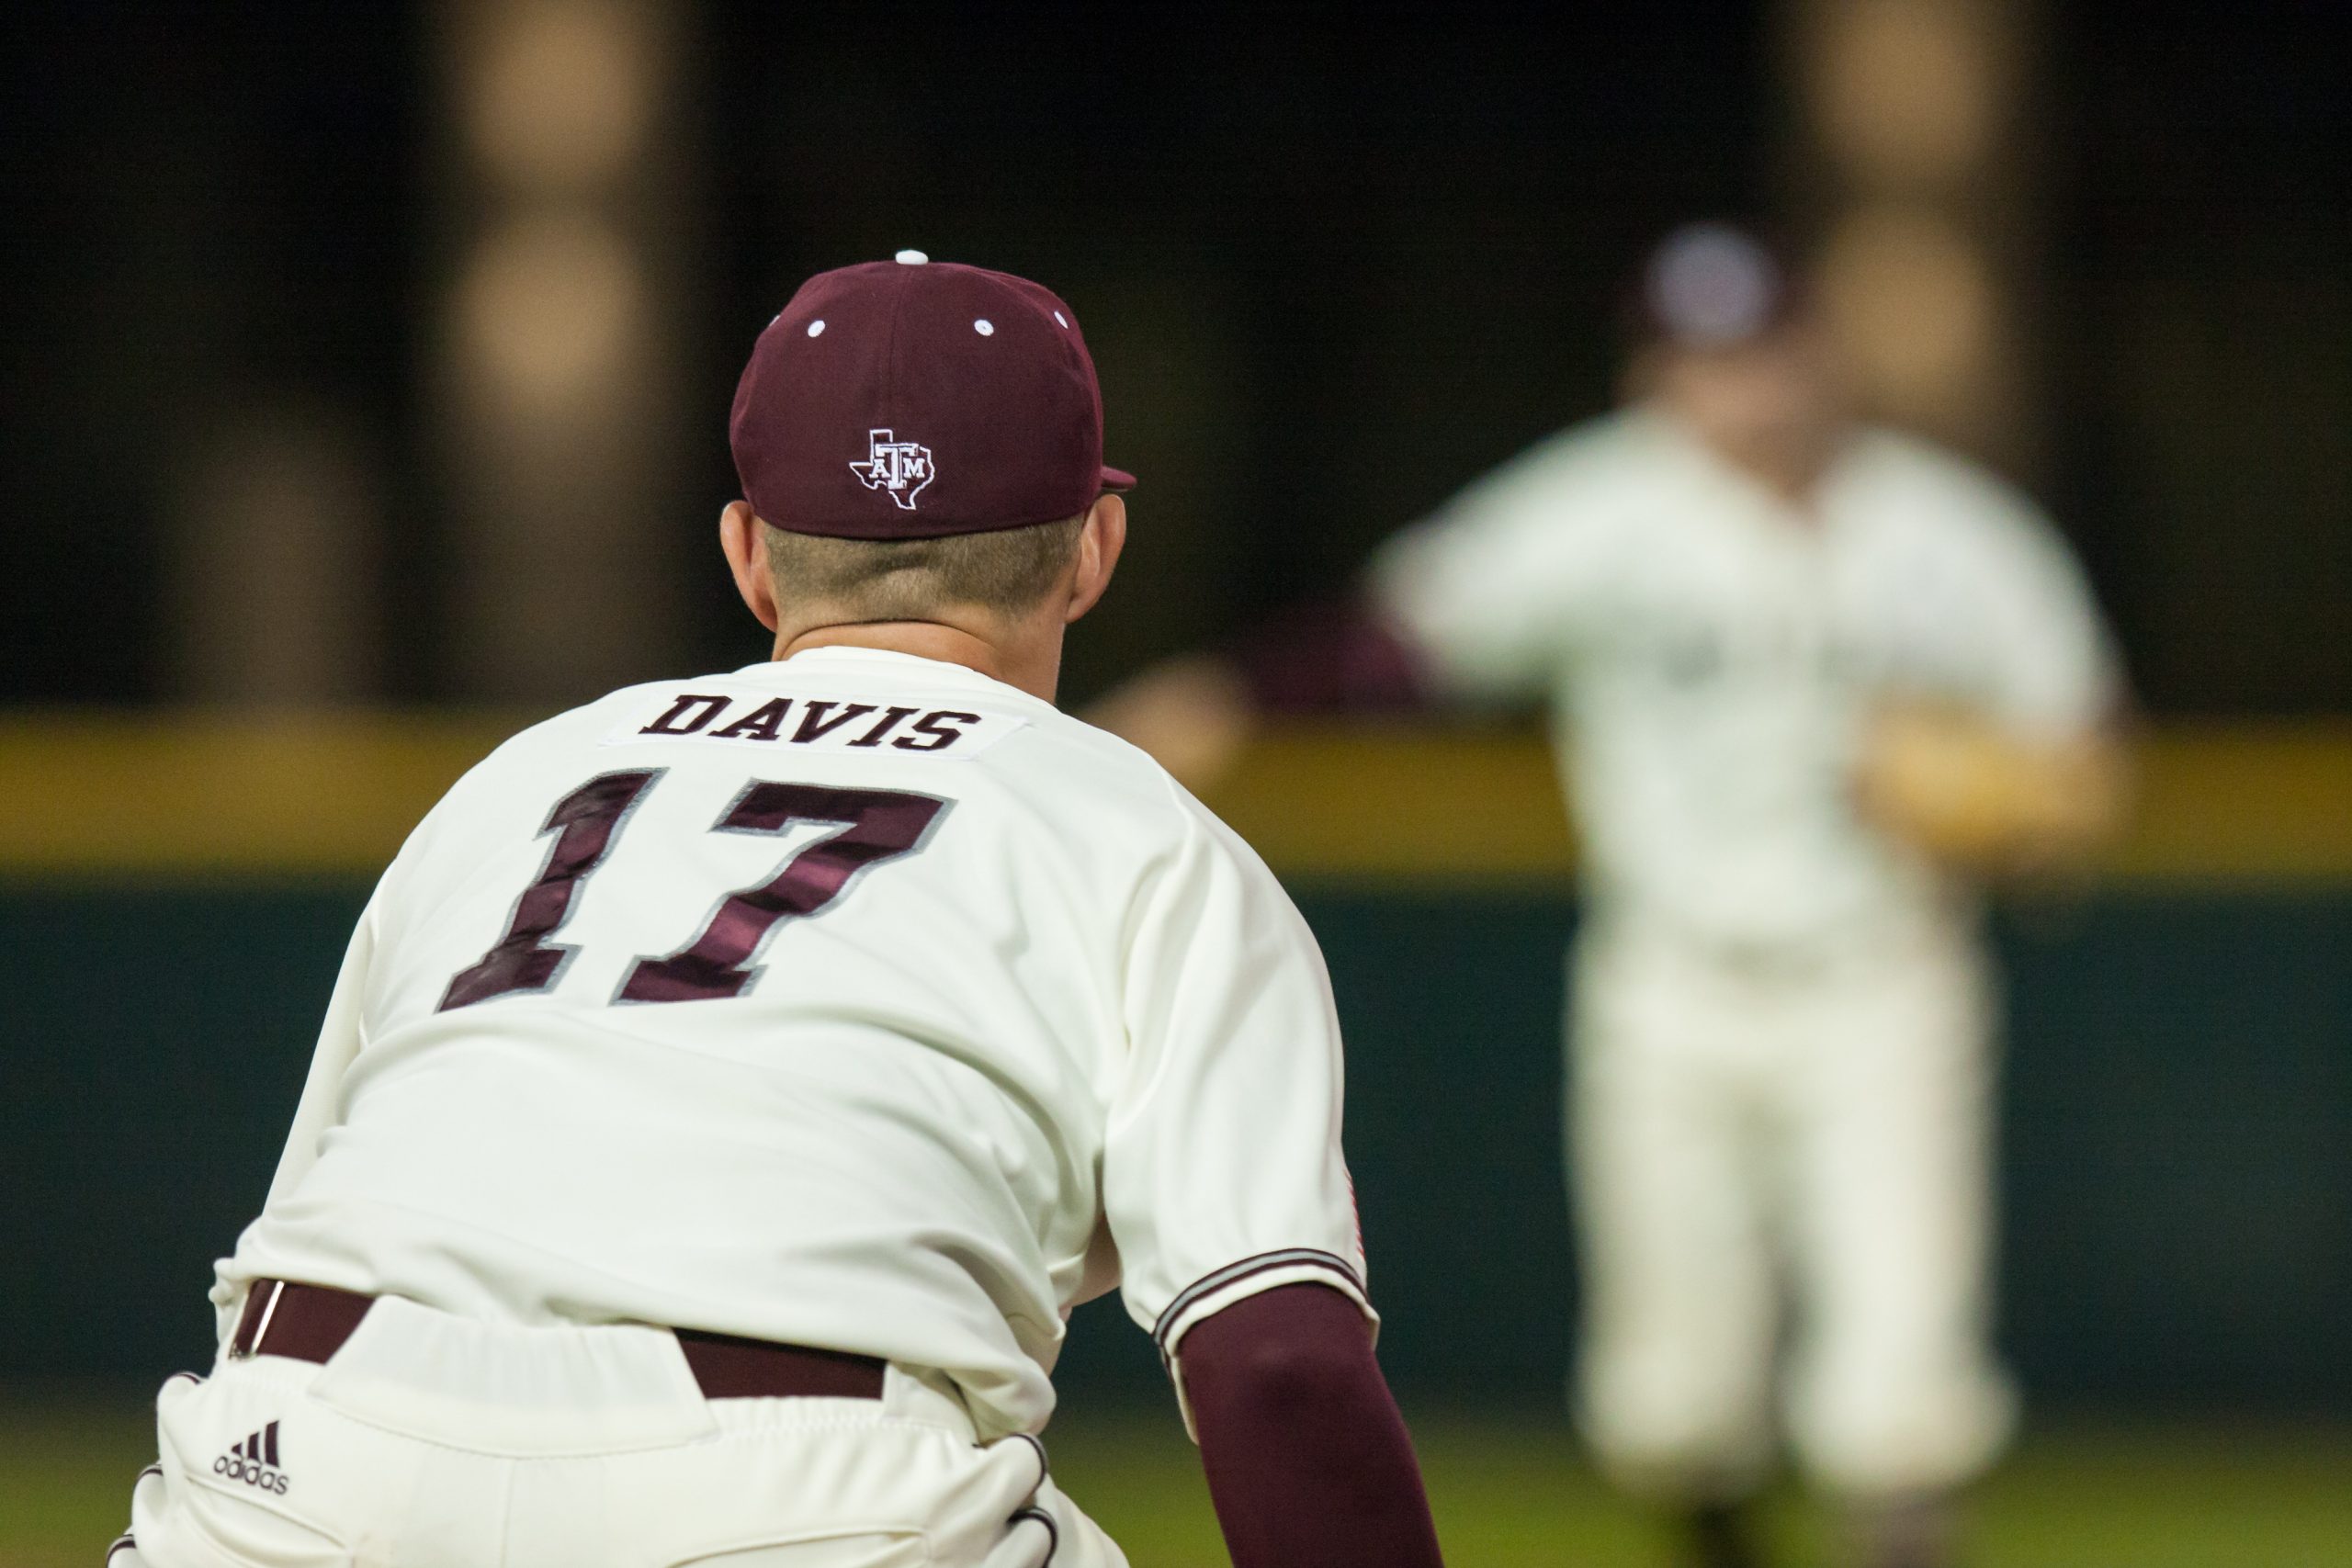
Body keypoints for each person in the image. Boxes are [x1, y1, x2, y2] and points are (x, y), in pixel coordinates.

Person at [114, 253, 1446, 1568]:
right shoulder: (1142, 835)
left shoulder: (517, 780)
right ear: (1093, 552)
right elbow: (1277, 1368)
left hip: (291, 1458)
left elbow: (308, 1228)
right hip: (795, 1492)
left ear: (751, 558)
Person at [1094, 224, 2127, 1568]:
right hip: (1672, 986)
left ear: (1817, 351)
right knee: (1673, 1409)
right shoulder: (1603, 512)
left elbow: (2085, 749)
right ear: (1655, 377)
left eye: (1761, 351)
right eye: (1703, 360)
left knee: (1901, 1398)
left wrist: (2017, 813)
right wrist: (1224, 699)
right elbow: (1401, 638)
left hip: (1888, 980)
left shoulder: (1950, 534)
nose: (1740, 388)